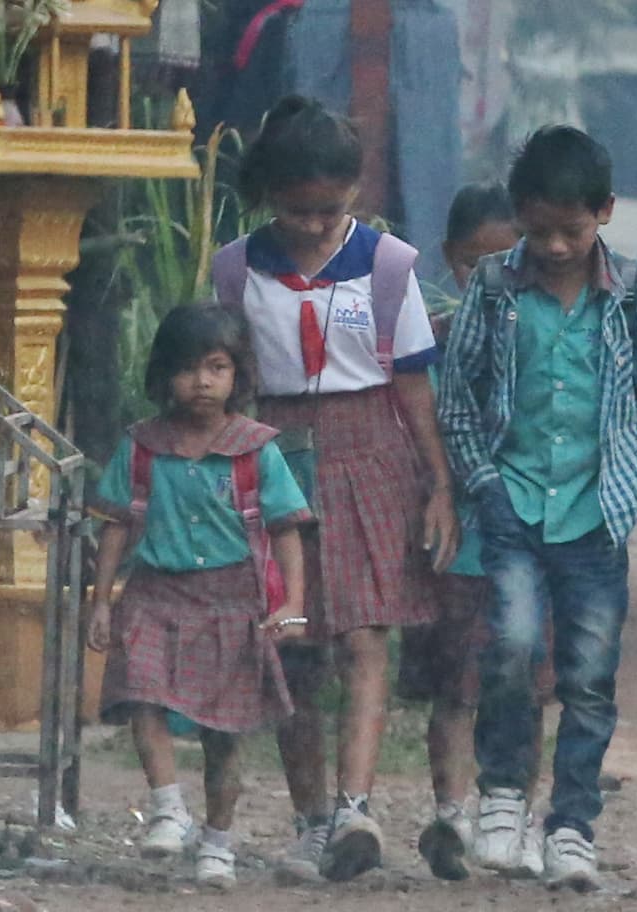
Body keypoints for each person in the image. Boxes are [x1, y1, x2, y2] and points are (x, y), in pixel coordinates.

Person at [217, 95, 459, 884]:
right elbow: (228, 381)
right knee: (292, 643)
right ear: (270, 197)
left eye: (333, 209)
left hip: (371, 450)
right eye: (299, 210)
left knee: (365, 635)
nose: (318, 225)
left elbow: (414, 381)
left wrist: (437, 482)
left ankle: (356, 806)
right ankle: (310, 815)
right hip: (275, 454)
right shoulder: (236, 269)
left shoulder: (390, 268)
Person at [438, 125, 637, 891]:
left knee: (588, 675)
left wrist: (630, 483)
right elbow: (460, 398)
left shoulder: (635, 291)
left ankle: (571, 824)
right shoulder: (494, 286)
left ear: (604, 213)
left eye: (572, 231)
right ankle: (503, 792)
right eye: (539, 231)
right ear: (519, 217)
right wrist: (483, 484)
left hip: (593, 517)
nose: (557, 247)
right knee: (508, 645)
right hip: (510, 505)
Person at [88, 305, 313, 890]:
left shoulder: (255, 449)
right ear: (163, 376)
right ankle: (168, 808)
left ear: (238, 374)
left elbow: (287, 528)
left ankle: (218, 840)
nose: (202, 382)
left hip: (232, 601)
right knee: (141, 694)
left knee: (224, 730)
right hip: (153, 594)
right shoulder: (142, 447)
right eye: (188, 370)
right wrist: (102, 601)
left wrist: (292, 603)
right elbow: (115, 524)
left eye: (217, 368)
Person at [398, 182, 554, 882]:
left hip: (535, 536)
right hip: (462, 541)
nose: (491, 276)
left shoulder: (553, 331)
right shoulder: (428, 339)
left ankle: (519, 816)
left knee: (530, 688)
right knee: (456, 687)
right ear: (451, 260)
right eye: (475, 262)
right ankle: (452, 813)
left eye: (509, 259)